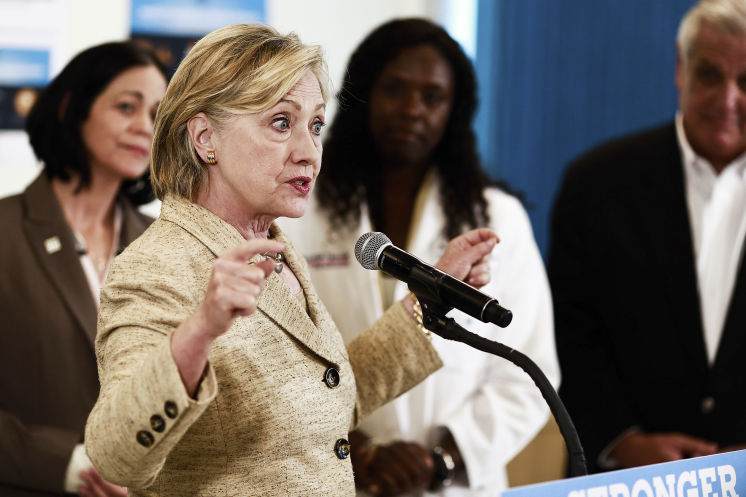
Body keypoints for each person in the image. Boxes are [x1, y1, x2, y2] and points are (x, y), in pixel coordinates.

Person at [82, 24, 498, 497]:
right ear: (205, 138)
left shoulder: (277, 249)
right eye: (281, 123)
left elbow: (322, 396)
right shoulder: (156, 266)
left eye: (315, 126)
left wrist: (426, 300)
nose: (309, 152)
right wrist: (199, 332)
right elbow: (115, 455)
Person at [279, 18, 561, 497]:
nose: (413, 110)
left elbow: (528, 372)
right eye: (396, 90)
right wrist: (356, 449)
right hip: (332, 471)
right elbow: (279, 357)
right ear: (365, 93)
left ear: (454, 110)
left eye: (432, 98)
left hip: (453, 485)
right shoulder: (300, 208)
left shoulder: (497, 218)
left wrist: (441, 460)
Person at [549, 0, 746, 474]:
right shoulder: (596, 182)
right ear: (680, 68)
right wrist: (620, 442)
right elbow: (566, 331)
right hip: (622, 475)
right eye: (710, 76)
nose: (727, 101)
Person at [0, 42, 167, 496]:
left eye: (156, 114)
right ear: (73, 107)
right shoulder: (5, 231)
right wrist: (64, 463)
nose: (144, 128)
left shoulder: (165, 242)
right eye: (126, 107)